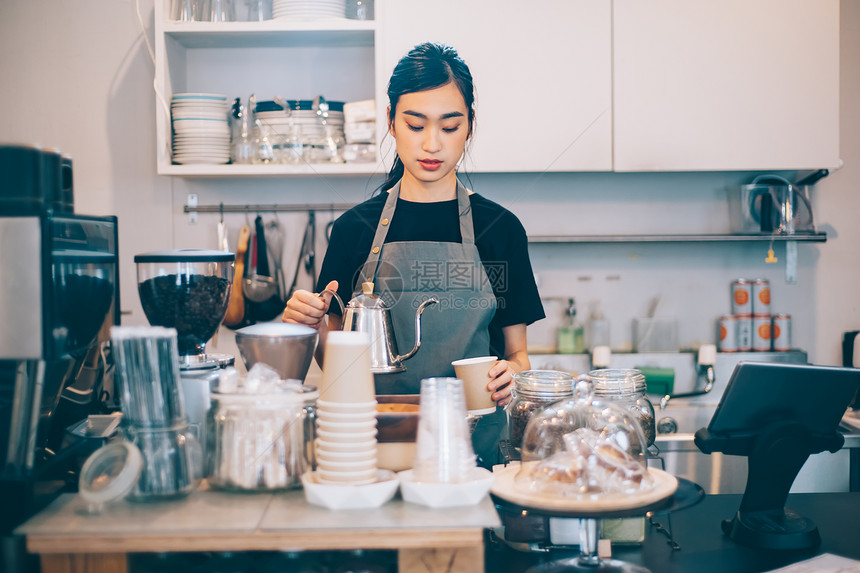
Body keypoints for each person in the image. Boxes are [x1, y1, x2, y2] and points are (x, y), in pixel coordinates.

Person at [282, 42, 544, 468]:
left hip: (472, 458)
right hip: (372, 451)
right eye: (416, 124)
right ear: (391, 122)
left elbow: (517, 357)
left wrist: (511, 375)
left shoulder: (500, 231)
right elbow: (334, 362)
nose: (432, 144)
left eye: (449, 126)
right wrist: (308, 325)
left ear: (470, 127)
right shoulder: (354, 230)